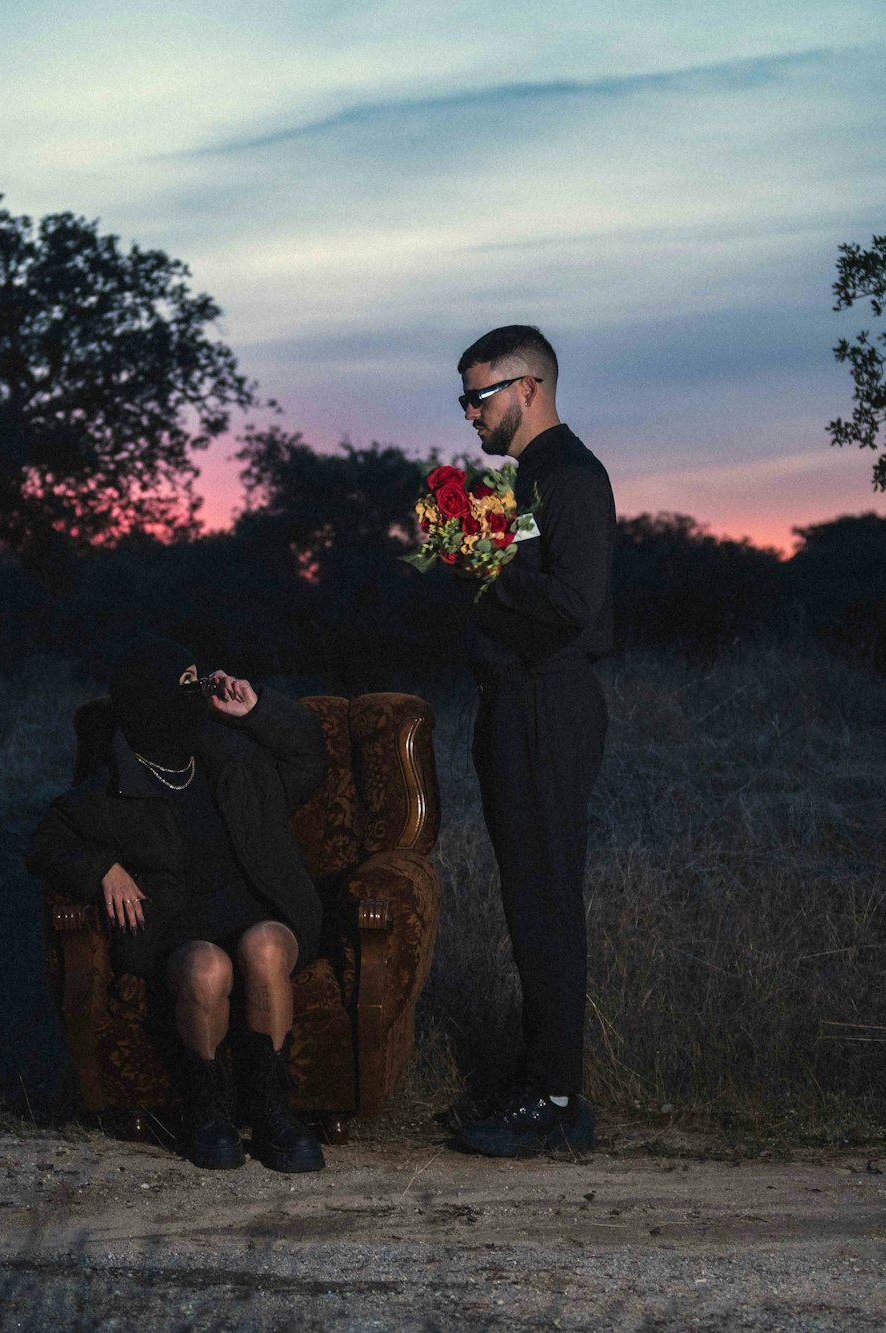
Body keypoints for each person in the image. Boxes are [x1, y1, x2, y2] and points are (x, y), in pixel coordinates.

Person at [28, 635, 328, 1173]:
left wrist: (256, 709)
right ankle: (209, 1111)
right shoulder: (111, 789)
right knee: (206, 968)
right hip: (175, 926)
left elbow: (308, 755)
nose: (206, 688)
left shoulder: (235, 758)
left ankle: (272, 1111)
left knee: (262, 948)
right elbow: (46, 844)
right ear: (154, 699)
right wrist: (103, 869)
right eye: (190, 683)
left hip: (258, 906)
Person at [452, 324, 615, 1157]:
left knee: (546, 897)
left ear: (527, 388)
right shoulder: (526, 481)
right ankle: (538, 1081)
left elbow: (574, 606)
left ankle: (556, 1099)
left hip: (550, 704)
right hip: (514, 705)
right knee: (528, 898)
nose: (468, 416)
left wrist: (484, 560)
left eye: (478, 397)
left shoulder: (573, 478)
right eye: (463, 399)